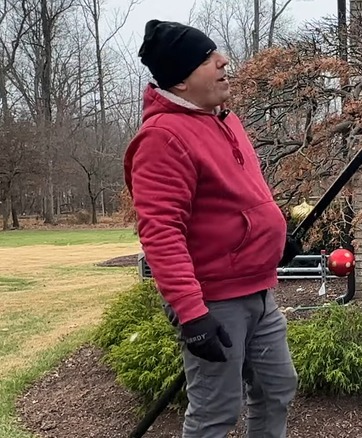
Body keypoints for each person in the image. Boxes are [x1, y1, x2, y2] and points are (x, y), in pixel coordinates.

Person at [123, 19, 300, 438]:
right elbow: (161, 232)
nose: (222, 61)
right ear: (181, 81)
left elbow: (240, 200)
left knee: (277, 387)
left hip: (257, 292)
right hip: (214, 303)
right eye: (207, 58)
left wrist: (272, 242)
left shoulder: (223, 120)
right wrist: (192, 314)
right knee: (216, 412)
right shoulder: (163, 138)